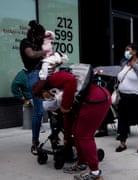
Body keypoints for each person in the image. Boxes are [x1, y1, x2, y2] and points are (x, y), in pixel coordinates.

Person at [32, 70, 111, 180]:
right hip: (92, 99)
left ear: (43, 90)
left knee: (84, 135)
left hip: (96, 99)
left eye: (42, 96)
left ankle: (95, 173)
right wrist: (67, 137)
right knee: (77, 132)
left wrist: (65, 105)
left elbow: (70, 80)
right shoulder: (58, 96)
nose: (44, 99)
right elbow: (67, 117)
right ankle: (82, 164)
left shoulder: (54, 79)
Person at [115, 43, 138, 153]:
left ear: (135, 52)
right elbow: (120, 77)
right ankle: (122, 143)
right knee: (122, 120)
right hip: (123, 97)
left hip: (137, 97)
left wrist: (135, 66)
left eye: (128, 49)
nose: (126, 51)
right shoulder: (124, 63)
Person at [19, 20, 48, 155]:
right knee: (39, 111)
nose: (42, 38)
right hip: (34, 75)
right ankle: (34, 142)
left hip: (45, 75)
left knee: (53, 108)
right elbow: (30, 54)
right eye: (40, 36)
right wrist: (43, 53)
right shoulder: (26, 42)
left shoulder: (39, 44)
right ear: (34, 35)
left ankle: (55, 138)